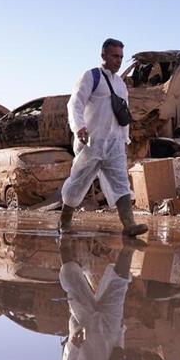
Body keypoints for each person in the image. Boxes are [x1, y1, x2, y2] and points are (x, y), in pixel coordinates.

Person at [58, 38, 148, 236]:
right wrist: (79, 127)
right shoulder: (91, 77)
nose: (118, 60)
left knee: (121, 183)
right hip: (91, 142)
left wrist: (125, 139)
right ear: (103, 55)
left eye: (121, 57)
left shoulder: (121, 85)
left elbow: (123, 114)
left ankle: (129, 225)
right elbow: (75, 104)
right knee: (78, 182)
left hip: (115, 145)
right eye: (115, 56)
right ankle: (64, 220)